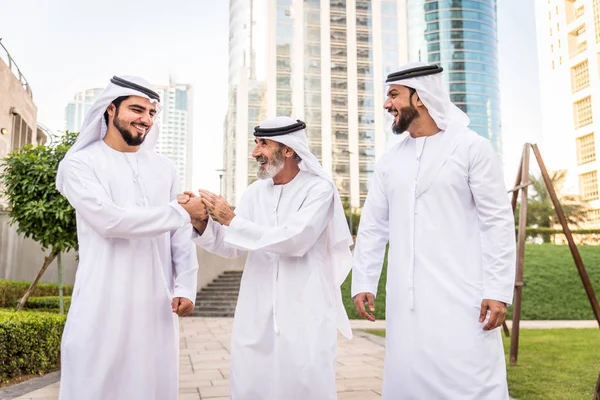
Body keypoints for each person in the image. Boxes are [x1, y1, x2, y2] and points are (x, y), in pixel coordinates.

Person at [351, 62, 516, 399]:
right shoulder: (389, 162)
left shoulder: (472, 148)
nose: (387, 105)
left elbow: (497, 222)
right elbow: (372, 227)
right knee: (407, 380)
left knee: (471, 381)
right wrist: (364, 281)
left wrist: (498, 289)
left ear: (421, 98)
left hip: (463, 294)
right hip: (406, 300)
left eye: (394, 95)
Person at [180, 116, 353, 400]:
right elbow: (233, 245)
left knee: (306, 386)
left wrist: (232, 220)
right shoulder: (254, 192)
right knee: (251, 384)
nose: (255, 152)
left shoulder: (319, 189)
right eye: (255, 143)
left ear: (288, 149)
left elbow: (296, 240)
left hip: (304, 309)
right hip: (255, 310)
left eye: (263, 144)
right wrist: (201, 222)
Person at [55, 75, 203, 400]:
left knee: (152, 387)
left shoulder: (164, 167)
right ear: (110, 109)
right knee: (94, 385)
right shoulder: (80, 164)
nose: (146, 120)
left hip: (155, 306)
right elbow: (109, 221)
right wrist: (181, 210)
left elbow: (180, 236)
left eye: (152, 113)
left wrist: (185, 286)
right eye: (137, 109)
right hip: (102, 302)